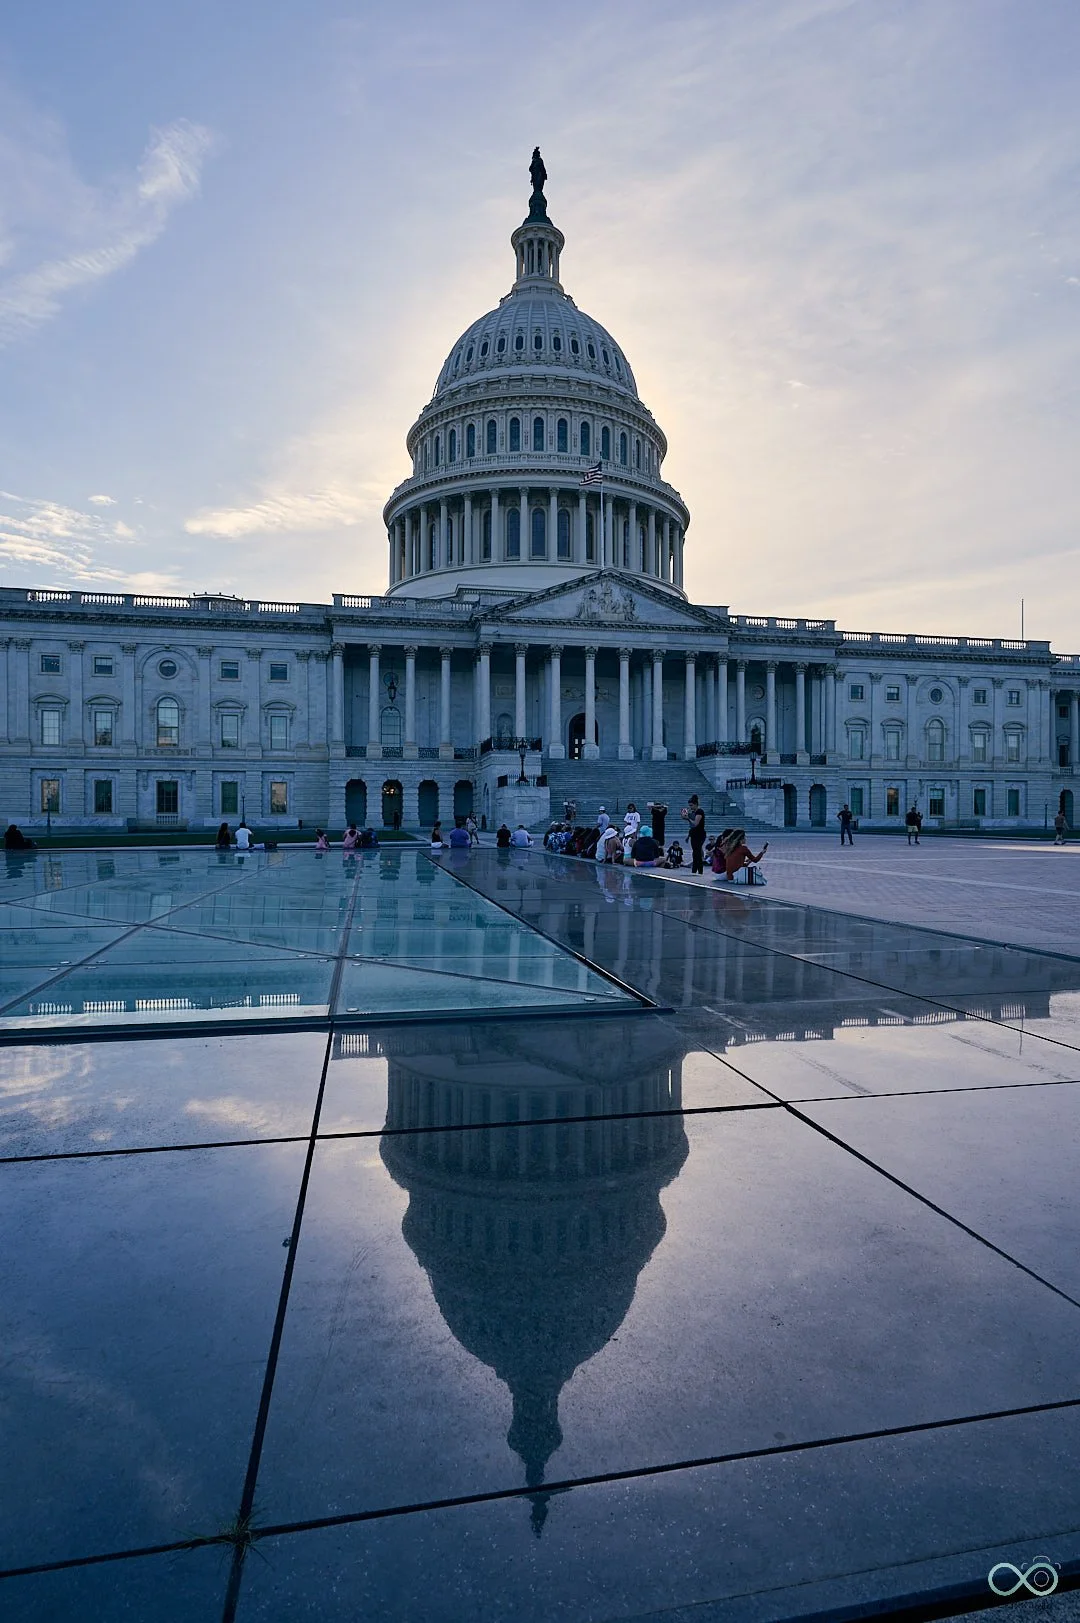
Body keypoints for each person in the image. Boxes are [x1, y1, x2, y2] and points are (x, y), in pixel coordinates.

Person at [682, 794, 707, 874]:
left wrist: (688, 818)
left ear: (696, 804)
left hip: (699, 834)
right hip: (694, 834)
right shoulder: (694, 812)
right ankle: (695, 869)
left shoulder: (699, 812)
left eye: (691, 805)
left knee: (697, 852)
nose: (690, 807)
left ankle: (699, 870)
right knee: (695, 852)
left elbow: (695, 824)